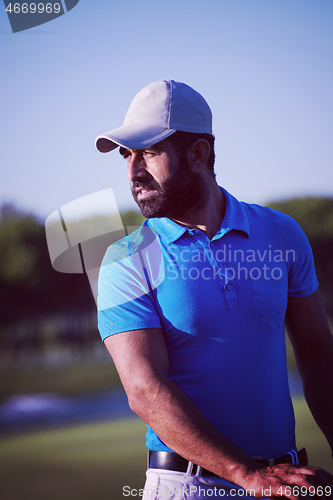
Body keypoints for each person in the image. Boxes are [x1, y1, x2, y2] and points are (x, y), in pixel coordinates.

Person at [95, 80, 333, 499]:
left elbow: (319, 356)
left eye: (148, 153)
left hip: (288, 483)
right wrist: (247, 475)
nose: (133, 172)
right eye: (126, 156)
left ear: (199, 153)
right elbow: (146, 391)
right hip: (186, 486)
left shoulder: (281, 233)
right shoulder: (125, 260)